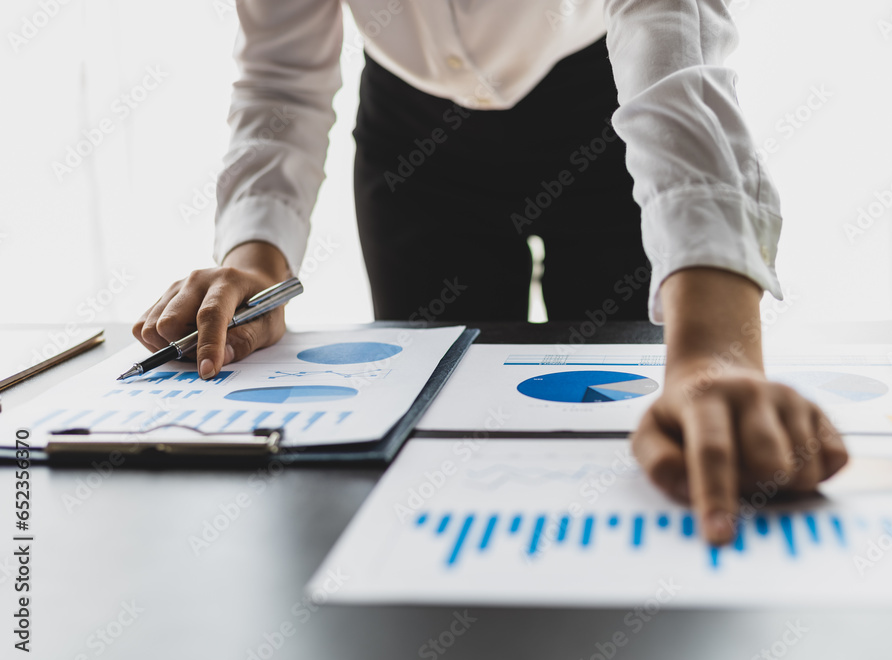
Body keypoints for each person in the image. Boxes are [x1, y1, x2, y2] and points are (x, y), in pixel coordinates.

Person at [133, 0, 848, 545]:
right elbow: (282, 76)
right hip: (416, 150)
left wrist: (716, 355)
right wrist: (255, 258)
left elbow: (674, 46)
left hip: (606, 118)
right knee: (429, 454)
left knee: (628, 422)